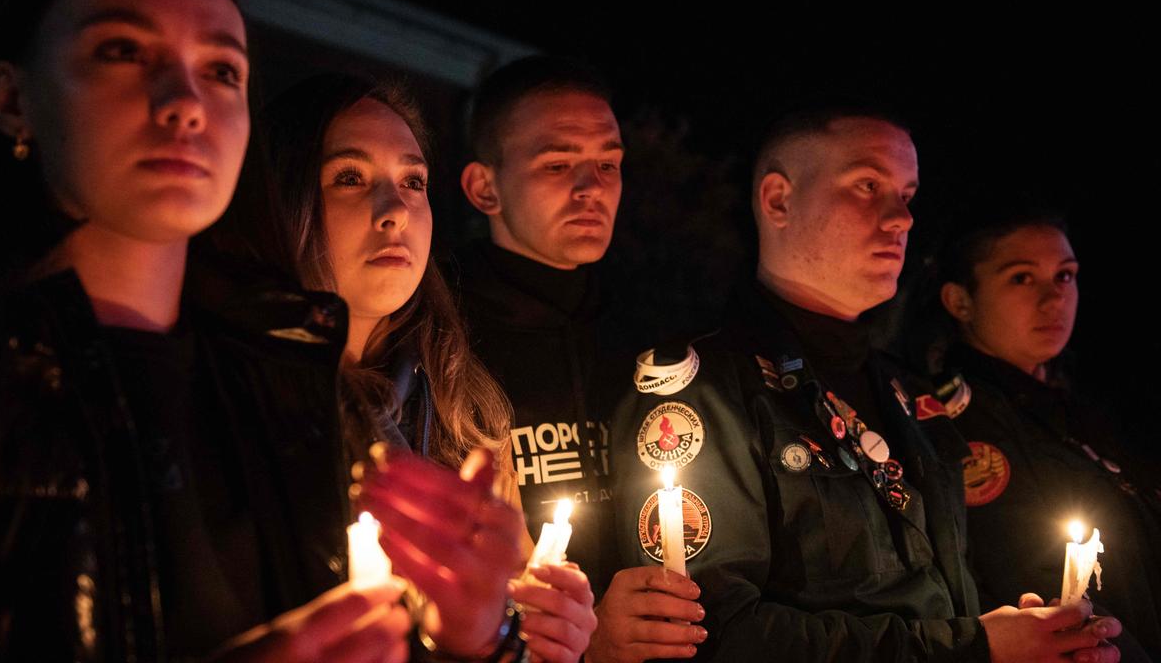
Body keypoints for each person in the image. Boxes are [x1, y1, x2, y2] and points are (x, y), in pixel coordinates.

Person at [0, 0, 492, 661]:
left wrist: (476, 637)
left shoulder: (294, 390)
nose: (184, 102)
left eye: (221, 70)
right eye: (122, 50)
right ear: (14, 99)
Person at [589, 109, 1124, 663]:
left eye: (907, 194)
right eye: (868, 186)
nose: (901, 219)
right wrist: (975, 647)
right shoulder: (701, 392)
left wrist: (1034, 633)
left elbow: (944, 595)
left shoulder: (906, 390)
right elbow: (715, 637)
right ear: (778, 200)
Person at [207, 72, 597, 662]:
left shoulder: (464, 408)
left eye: (413, 181)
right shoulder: (230, 400)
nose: (394, 211)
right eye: (349, 178)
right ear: (283, 203)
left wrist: (533, 635)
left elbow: (503, 624)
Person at [936, 212, 1161, 660]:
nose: (1053, 297)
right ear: (960, 301)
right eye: (1022, 278)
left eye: (1065, 275)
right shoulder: (963, 421)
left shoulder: (1082, 400)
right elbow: (1026, 574)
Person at [454, 55, 627, 598]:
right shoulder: (441, 337)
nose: (591, 188)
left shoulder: (647, 336)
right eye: (557, 165)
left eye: (609, 164)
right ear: (485, 188)